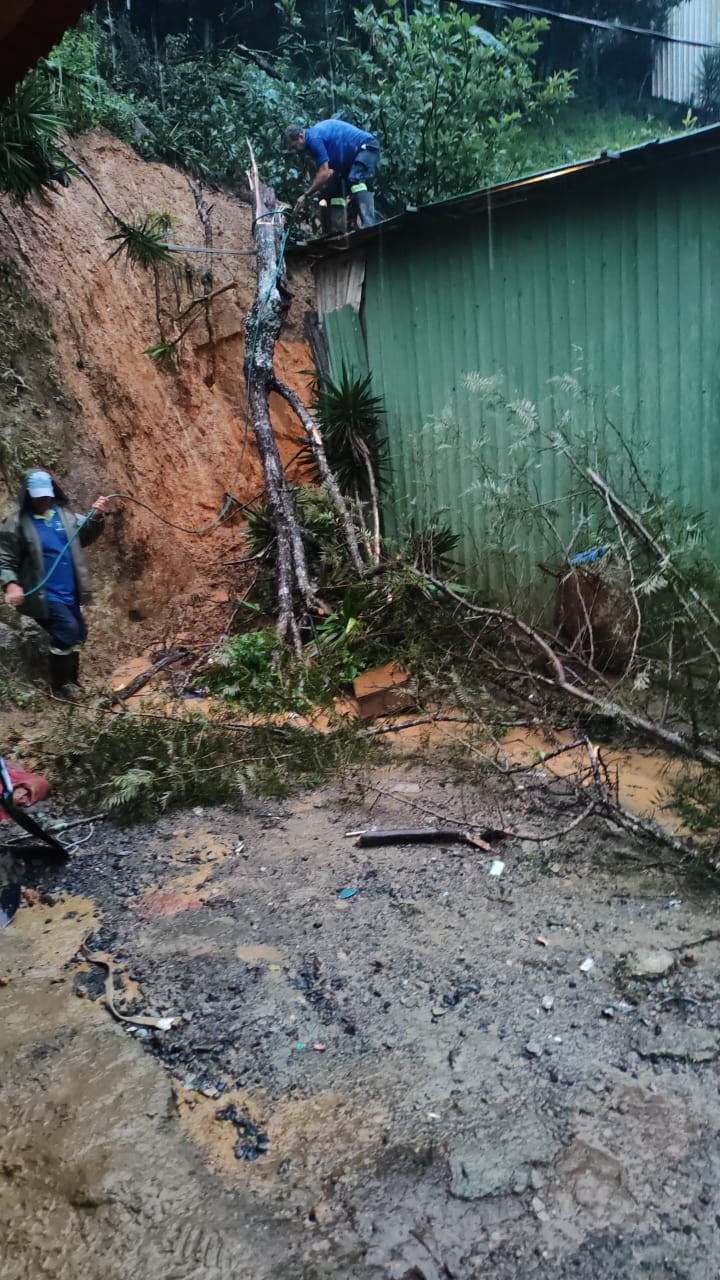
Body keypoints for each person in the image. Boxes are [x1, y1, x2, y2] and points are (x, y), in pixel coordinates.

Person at [0, 469, 108, 698]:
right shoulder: (16, 524)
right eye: (38, 497)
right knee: (67, 631)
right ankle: (60, 685)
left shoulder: (65, 517)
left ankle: (72, 681)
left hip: (69, 591)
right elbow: (4, 559)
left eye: (46, 496)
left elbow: (86, 534)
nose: (43, 501)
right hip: (43, 594)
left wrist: (96, 516)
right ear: (28, 495)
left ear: (53, 493)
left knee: (78, 633)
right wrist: (10, 584)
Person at [285, 120, 381, 229]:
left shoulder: (314, 139)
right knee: (334, 190)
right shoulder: (313, 142)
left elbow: (324, 173)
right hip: (348, 163)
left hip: (366, 147)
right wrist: (316, 192)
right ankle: (339, 231)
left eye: (294, 146)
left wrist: (306, 195)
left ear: (301, 137)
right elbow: (329, 172)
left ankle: (369, 224)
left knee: (356, 179)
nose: (295, 150)